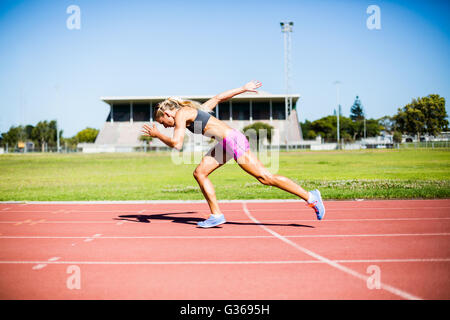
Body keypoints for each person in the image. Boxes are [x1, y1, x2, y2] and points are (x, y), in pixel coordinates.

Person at [141, 80, 325, 228]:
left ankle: (311, 197)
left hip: (232, 141)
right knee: (200, 173)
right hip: (226, 143)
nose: (164, 125)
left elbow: (177, 144)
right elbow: (219, 98)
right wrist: (243, 88)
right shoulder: (194, 112)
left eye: (163, 122)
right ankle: (216, 215)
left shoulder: (181, 114)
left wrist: (158, 135)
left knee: (265, 177)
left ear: (167, 113)